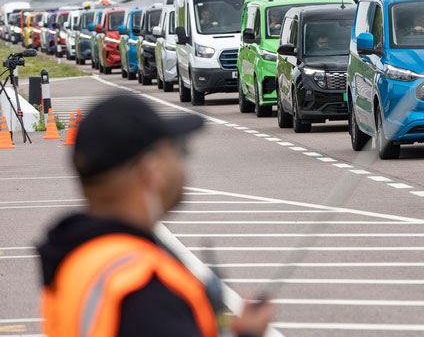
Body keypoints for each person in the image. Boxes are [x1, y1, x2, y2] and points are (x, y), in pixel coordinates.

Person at [37, 95, 273, 337]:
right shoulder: (144, 289)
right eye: (179, 150)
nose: (182, 162)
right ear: (150, 171)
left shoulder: (78, 257)